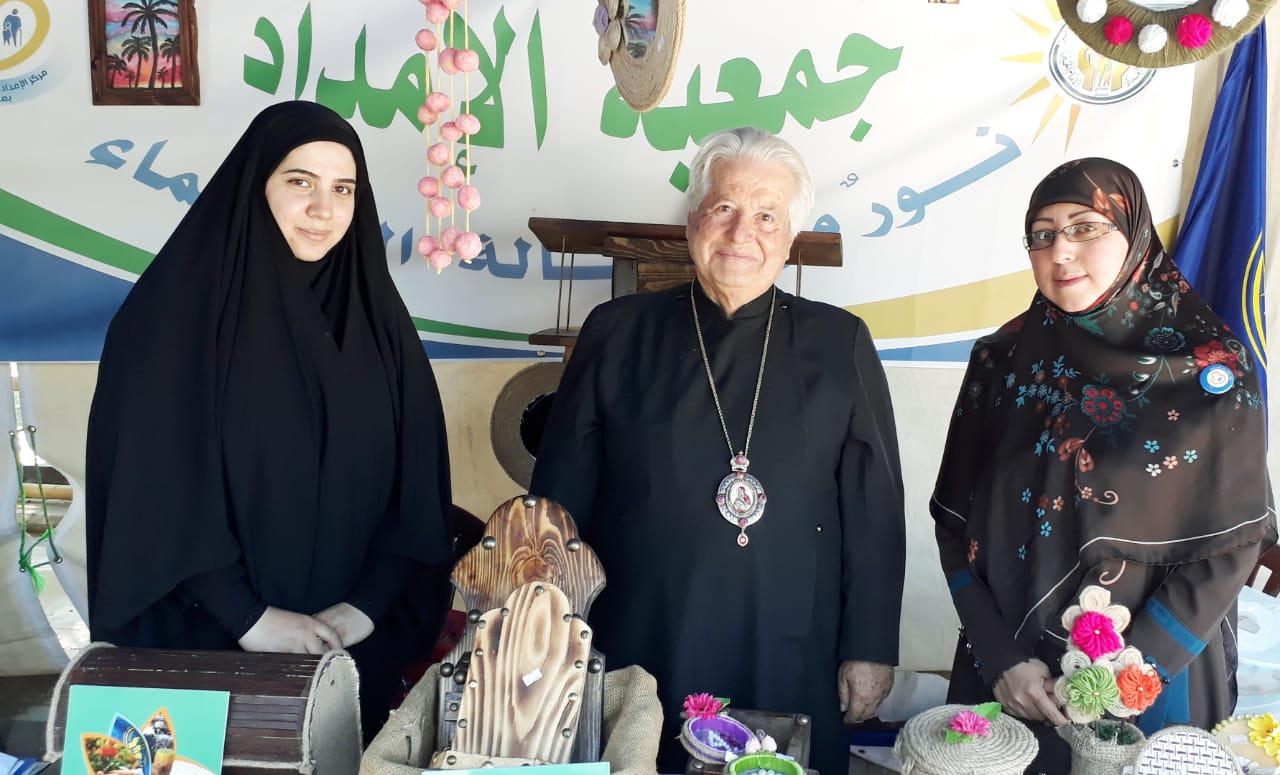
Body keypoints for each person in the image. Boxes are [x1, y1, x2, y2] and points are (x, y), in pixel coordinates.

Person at [530, 126, 907, 775]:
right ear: (692, 221)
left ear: (791, 235)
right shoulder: (617, 331)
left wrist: (870, 647)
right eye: (724, 207)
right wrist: (544, 631)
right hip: (642, 634)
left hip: (790, 638)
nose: (741, 233)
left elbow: (875, 512)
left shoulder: (839, 341)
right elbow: (558, 499)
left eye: (767, 216)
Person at [85, 100, 456, 740]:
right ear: (256, 185)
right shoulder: (168, 323)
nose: (323, 209)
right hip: (203, 649)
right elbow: (149, 492)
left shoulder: (379, 328)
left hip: (346, 651)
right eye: (300, 181)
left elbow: (416, 492)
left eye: (344, 189)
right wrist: (248, 618)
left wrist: (364, 608)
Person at [932, 157, 1275, 771]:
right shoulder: (1002, 362)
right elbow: (955, 524)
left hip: (1153, 681)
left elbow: (1231, 543)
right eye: (1041, 235)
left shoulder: (1211, 372)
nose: (1060, 251)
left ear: (1135, 235)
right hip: (1009, 677)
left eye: (1085, 227)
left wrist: (1124, 676)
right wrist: (1000, 658)